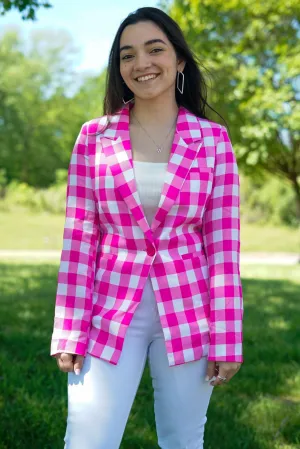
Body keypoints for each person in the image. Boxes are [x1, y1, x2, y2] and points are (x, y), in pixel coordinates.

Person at [50, 6, 243, 449]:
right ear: (118, 69)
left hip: (190, 311)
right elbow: (80, 238)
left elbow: (223, 245)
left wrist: (227, 336)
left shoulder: (213, 141)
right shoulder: (93, 138)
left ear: (179, 61)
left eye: (155, 49)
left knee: (182, 441)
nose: (142, 63)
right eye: (127, 55)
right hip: (108, 311)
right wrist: (69, 330)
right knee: (87, 440)